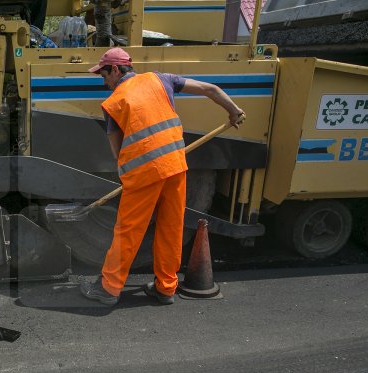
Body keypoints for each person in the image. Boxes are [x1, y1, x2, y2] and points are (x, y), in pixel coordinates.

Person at [79, 48, 244, 306]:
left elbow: (117, 151)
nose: (104, 82)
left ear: (114, 69)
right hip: (175, 167)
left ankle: (108, 288)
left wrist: (127, 173)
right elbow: (210, 89)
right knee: (170, 227)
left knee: (128, 231)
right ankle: (166, 288)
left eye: (103, 75)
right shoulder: (161, 79)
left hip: (144, 175)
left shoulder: (113, 103)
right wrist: (233, 110)